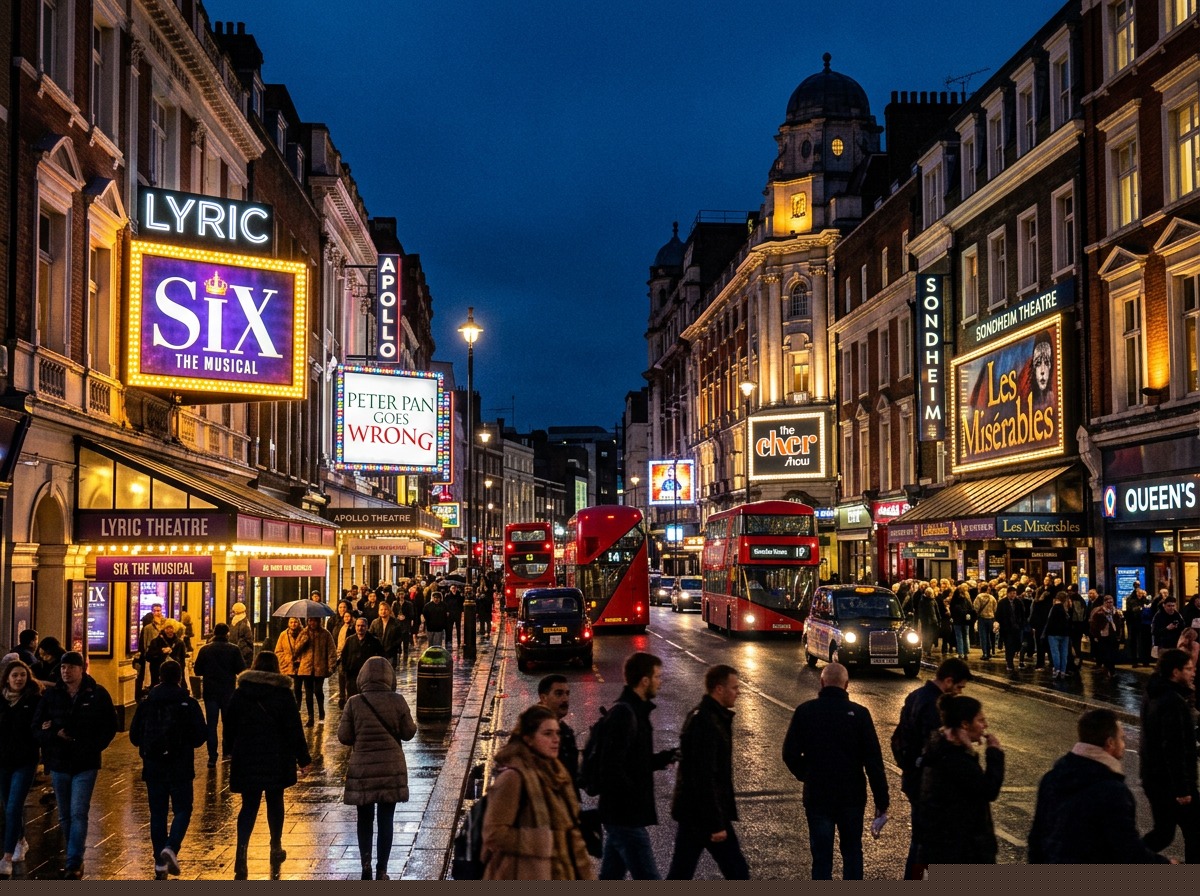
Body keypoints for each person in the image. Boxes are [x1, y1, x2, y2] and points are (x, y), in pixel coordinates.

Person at [782, 662, 888, 880]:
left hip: (818, 795)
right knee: (852, 852)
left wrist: (807, 774)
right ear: (846, 685)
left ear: (822, 682)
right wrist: (881, 800)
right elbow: (873, 761)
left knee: (821, 858)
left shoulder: (805, 711)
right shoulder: (860, 714)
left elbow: (789, 753)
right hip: (851, 796)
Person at [1028, 708, 1171, 863]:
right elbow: (1127, 850)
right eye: (1121, 738)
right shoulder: (1112, 791)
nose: (1124, 744)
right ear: (1110, 743)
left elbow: (1036, 837)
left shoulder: (1051, 778)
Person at [481, 704, 596, 880]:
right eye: (547, 734)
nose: (556, 739)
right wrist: (539, 842)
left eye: (557, 733)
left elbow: (571, 834)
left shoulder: (558, 775)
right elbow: (493, 834)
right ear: (528, 739)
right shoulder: (513, 778)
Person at [225, 652, 312, 879]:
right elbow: (294, 728)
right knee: (275, 801)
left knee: (249, 805)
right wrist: (303, 758)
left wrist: (229, 749)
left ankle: (241, 854)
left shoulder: (241, 692)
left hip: (247, 756)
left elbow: (229, 723)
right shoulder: (283, 693)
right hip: (276, 756)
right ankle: (275, 846)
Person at [32, 651, 117, 879]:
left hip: (85, 762)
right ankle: (74, 853)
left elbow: (110, 725)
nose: (65, 671)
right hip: (59, 762)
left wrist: (93, 745)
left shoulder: (97, 694)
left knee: (78, 811)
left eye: (70, 667)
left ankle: (73, 861)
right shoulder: (52, 695)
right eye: (63, 667)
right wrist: (53, 734)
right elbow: (37, 727)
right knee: (65, 815)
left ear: (81, 669)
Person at [596, 652, 677, 880]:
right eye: (658, 677)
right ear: (644, 681)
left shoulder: (636, 711)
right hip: (626, 816)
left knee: (610, 877)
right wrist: (631, 797)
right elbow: (611, 767)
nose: (660, 682)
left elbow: (634, 761)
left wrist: (664, 758)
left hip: (620, 815)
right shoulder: (625, 714)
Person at [666, 664, 750, 880]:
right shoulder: (707, 722)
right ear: (719, 689)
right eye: (734, 688)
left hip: (695, 813)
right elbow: (704, 776)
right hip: (704, 815)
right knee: (738, 872)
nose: (738, 692)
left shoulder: (708, 716)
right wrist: (716, 823)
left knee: (681, 873)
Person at [338, 656, 417, 880]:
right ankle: (382, 870)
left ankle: (366, 866)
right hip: (391, 769)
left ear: (362, 677)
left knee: (364, 819)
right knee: (386, 819)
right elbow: (408, 733)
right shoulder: (398, 700)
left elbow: (344, 736)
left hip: (363, 770)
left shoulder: (354, 702)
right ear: (389, 678)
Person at [892, 658, 971, 879]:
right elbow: (935, 748)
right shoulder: (936, 706)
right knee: (925, 843)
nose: (959, 692)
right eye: (959, 687)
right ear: (948, 681)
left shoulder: (916, 696)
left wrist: (908, 766)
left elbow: (899, 736)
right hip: (925, 783)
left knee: (921, 840)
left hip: (914, 777)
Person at [128, 659, 208, 879]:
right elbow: (200, 737)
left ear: (160, 677)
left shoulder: (147, 704)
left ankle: (159, 863)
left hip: (153, 766)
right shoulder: (188, 703)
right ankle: (171, 847)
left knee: (158, 813)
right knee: (183, 809)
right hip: (181, 766)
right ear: (180, 678)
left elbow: (134, 736)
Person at [916, 694, 1005, 865]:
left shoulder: (939, 748)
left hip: (934, 852)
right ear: (965, 724)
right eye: (980, 720)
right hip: (959, 853)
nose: (985, 725)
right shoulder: (956, 760)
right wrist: (994, 753)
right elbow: (989, 790)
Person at [1139, 648, 1199, 861]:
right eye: (1188, 669)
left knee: (1164, 833)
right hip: (1172, 782)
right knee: (1195, 830)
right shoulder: (1172, 701)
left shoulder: (1153, 693)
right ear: (1175, 672)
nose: (1193, 672)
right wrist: (1182, 788)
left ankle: (1129, 857)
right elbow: (1173, 747)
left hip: (1154, 777)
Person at [0, 659, 42, 877]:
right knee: (7, 805)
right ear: (7, 678)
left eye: (22, 675)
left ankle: (6, 857)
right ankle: (20, 839)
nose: (19, 679)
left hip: (25, 761)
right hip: (3, 762)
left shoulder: (34, 700)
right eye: (15, 675)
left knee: (14, 806)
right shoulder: (1, 700)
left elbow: (39, 726)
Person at [192, 623, 245, 768]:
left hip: (210, 692)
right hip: (228, 692)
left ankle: (212, 756)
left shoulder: (205, 649)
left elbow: (197, 670)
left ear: (214, 633)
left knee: (211, 725)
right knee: (228, 723)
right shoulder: (234, 649)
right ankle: (227, 752)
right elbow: (241, 669)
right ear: (227, 633)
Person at [537, 674, 579, 788]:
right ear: (544, 698)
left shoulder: (565, 730)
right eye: (559, 694)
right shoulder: (535, 731)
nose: (565, 699)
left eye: (567, 693)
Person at [296, 617, 337, 727]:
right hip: (306, 668)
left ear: (319, 622)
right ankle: (311, 717)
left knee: (318, 690)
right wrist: (303, 641)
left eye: (314, 621)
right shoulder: (303, 633)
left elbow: (331, 650)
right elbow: (296, 650)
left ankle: (321, 712)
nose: (312, 623)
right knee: (308, 693)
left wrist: (331, 666)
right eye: (310, 620)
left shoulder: (325, 634)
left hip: (320, 667)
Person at [340, 618, 384, 699]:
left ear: (367, 627)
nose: (360, 628)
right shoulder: (350, 640)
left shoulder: (374, 641)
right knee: (353, 697)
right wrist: (345, 669)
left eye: (362, 626)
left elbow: (381, 656)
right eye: (358, 626)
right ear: (355, 627)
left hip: (368, 675)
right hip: (352, 675)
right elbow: (344, 656)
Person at [274, 616, 310, 710]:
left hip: (299, 666)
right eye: (291, 622)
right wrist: (286, 659)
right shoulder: (283, 635)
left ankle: (297, 706)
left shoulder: (304, 635)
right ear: (288, 624)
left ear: (299, 623)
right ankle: (286, 705)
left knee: (298, 688)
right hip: (287, 665)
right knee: (286, 688)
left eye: (295, 622)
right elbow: (278, 651)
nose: (293, 624)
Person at [1089, 595, 1124, 679]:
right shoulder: (1099, 612)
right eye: (1108, 602)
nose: (1110, 604)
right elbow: (1093, 625)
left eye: (1111, 602)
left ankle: (1111, 670)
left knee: (1113, 653)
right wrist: (1096, 635)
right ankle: (1108, 670)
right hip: (1103, 635)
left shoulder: (1115, 612)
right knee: (1105, 653)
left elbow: (1118, 624)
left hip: (1113, 635)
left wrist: (1119, 635)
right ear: (1104, 602)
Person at [995, 585, 1027, 671]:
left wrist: (1022, 624)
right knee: (1009, 645)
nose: (1013, 595)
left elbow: (1023, 614)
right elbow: (998, 615)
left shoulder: (1018, 602)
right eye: (1011, 593)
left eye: (1014, 593)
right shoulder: (1002, 603)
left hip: (1017, 628)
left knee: (1016, 645)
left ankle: (1011, 659)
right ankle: (1009, 663)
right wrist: (998, 624)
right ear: (1008, 593)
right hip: (1006, 628)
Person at [136, 605, 165, 700]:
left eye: (159, 610)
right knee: (151, 678)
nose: (158, 613)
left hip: (163, 656)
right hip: (152, 656)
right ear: (152, 612)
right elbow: (144, 642)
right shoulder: (148, 628)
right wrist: (146, 654)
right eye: (155, 611)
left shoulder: (165, 625)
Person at [147, 620, 187, 687]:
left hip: (174, 677)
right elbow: (148, 657)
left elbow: (182, 662)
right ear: (164, 629)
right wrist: (161, 652)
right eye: (167, 628)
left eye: (171, 628)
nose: (169, 630)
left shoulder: (179, 643)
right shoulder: (156, 642)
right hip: (158, 676)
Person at [1042, 592, 1072, 679]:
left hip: (1053, 633)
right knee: (1064, 653)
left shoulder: (1054, 608)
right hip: (1065, 633)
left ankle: (1057, 670)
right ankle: (1063, 671)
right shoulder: (1067, 608)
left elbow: (1049, 621)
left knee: (1055, 652)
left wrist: (1045, 633)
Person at [370, 601, 405, 671]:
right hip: (378, 652)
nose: (383, 611)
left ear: (389, 611)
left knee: (389, 671)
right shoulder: (375, 623)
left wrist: (393, 646)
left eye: (385, 609)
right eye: (381, 609)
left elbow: (400, 637)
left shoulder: (396, 622)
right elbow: (370, 635)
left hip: (391, 652)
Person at [334, 610, 356, 706]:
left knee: (348, 677)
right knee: (341, 676)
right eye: (345, 616)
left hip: (349, 654)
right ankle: (342, 696)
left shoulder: (353, 628)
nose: (346, 618)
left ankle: (349, 696)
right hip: (340, 654)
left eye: (348, 616)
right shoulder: (341, 627)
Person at [1125, 584, 1150, 666]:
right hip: (1133, 623)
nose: (1140, 595)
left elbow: (1149, 608)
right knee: (1133, 642)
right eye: (1138, 594)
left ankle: (1145, 660)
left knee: (1144, 642)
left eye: (1141, 594)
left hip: (1143, 623)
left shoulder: (1145, 600)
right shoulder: (1130, 600)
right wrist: (1140, 608)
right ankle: (1134, 661)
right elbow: (1130, 610)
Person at [949, 584, 974, 658]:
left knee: (959, 636)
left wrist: (952, 617)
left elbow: (952, 609)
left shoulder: (955, 600)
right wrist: (968, 614)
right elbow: (971, 609)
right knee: (965, 636)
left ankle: (961, 653)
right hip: (965, 620)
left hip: (957, 620)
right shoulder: (966, 599)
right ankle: (966, 652)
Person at [973, 585, 997, 661]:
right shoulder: (992, 597)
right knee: (989, 636)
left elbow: (976, 608)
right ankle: (989, 652)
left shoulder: (979, 597)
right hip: (991, 619)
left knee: (983, 636)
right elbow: (995, 608)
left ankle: (985, 653)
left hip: (982, 618)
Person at [229, 601, 255, 669]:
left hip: (233, 650)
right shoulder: (245, 622)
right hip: (244, 651)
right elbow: (249, 638)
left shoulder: (233, 622)